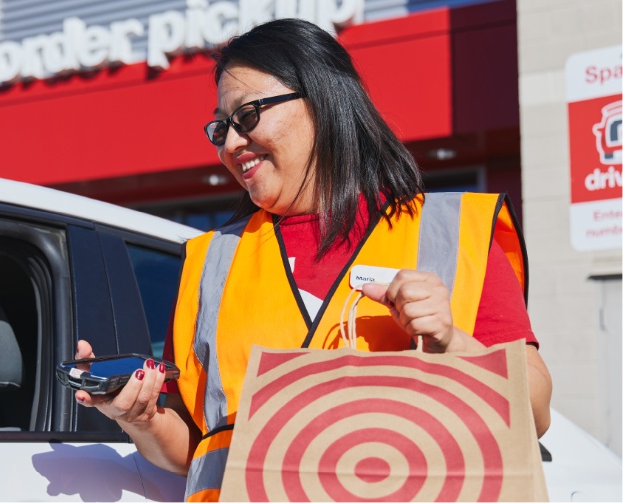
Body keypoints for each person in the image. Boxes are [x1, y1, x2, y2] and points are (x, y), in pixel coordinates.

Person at [74, 18, 553, 502]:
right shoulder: (211, 262)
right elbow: (200, 449)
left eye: (248, 115)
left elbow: (535, 412)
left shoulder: (452, 232)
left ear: (323, 101)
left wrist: (453, 343)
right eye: (222, 127)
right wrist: (142, 418)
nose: (231, 144)